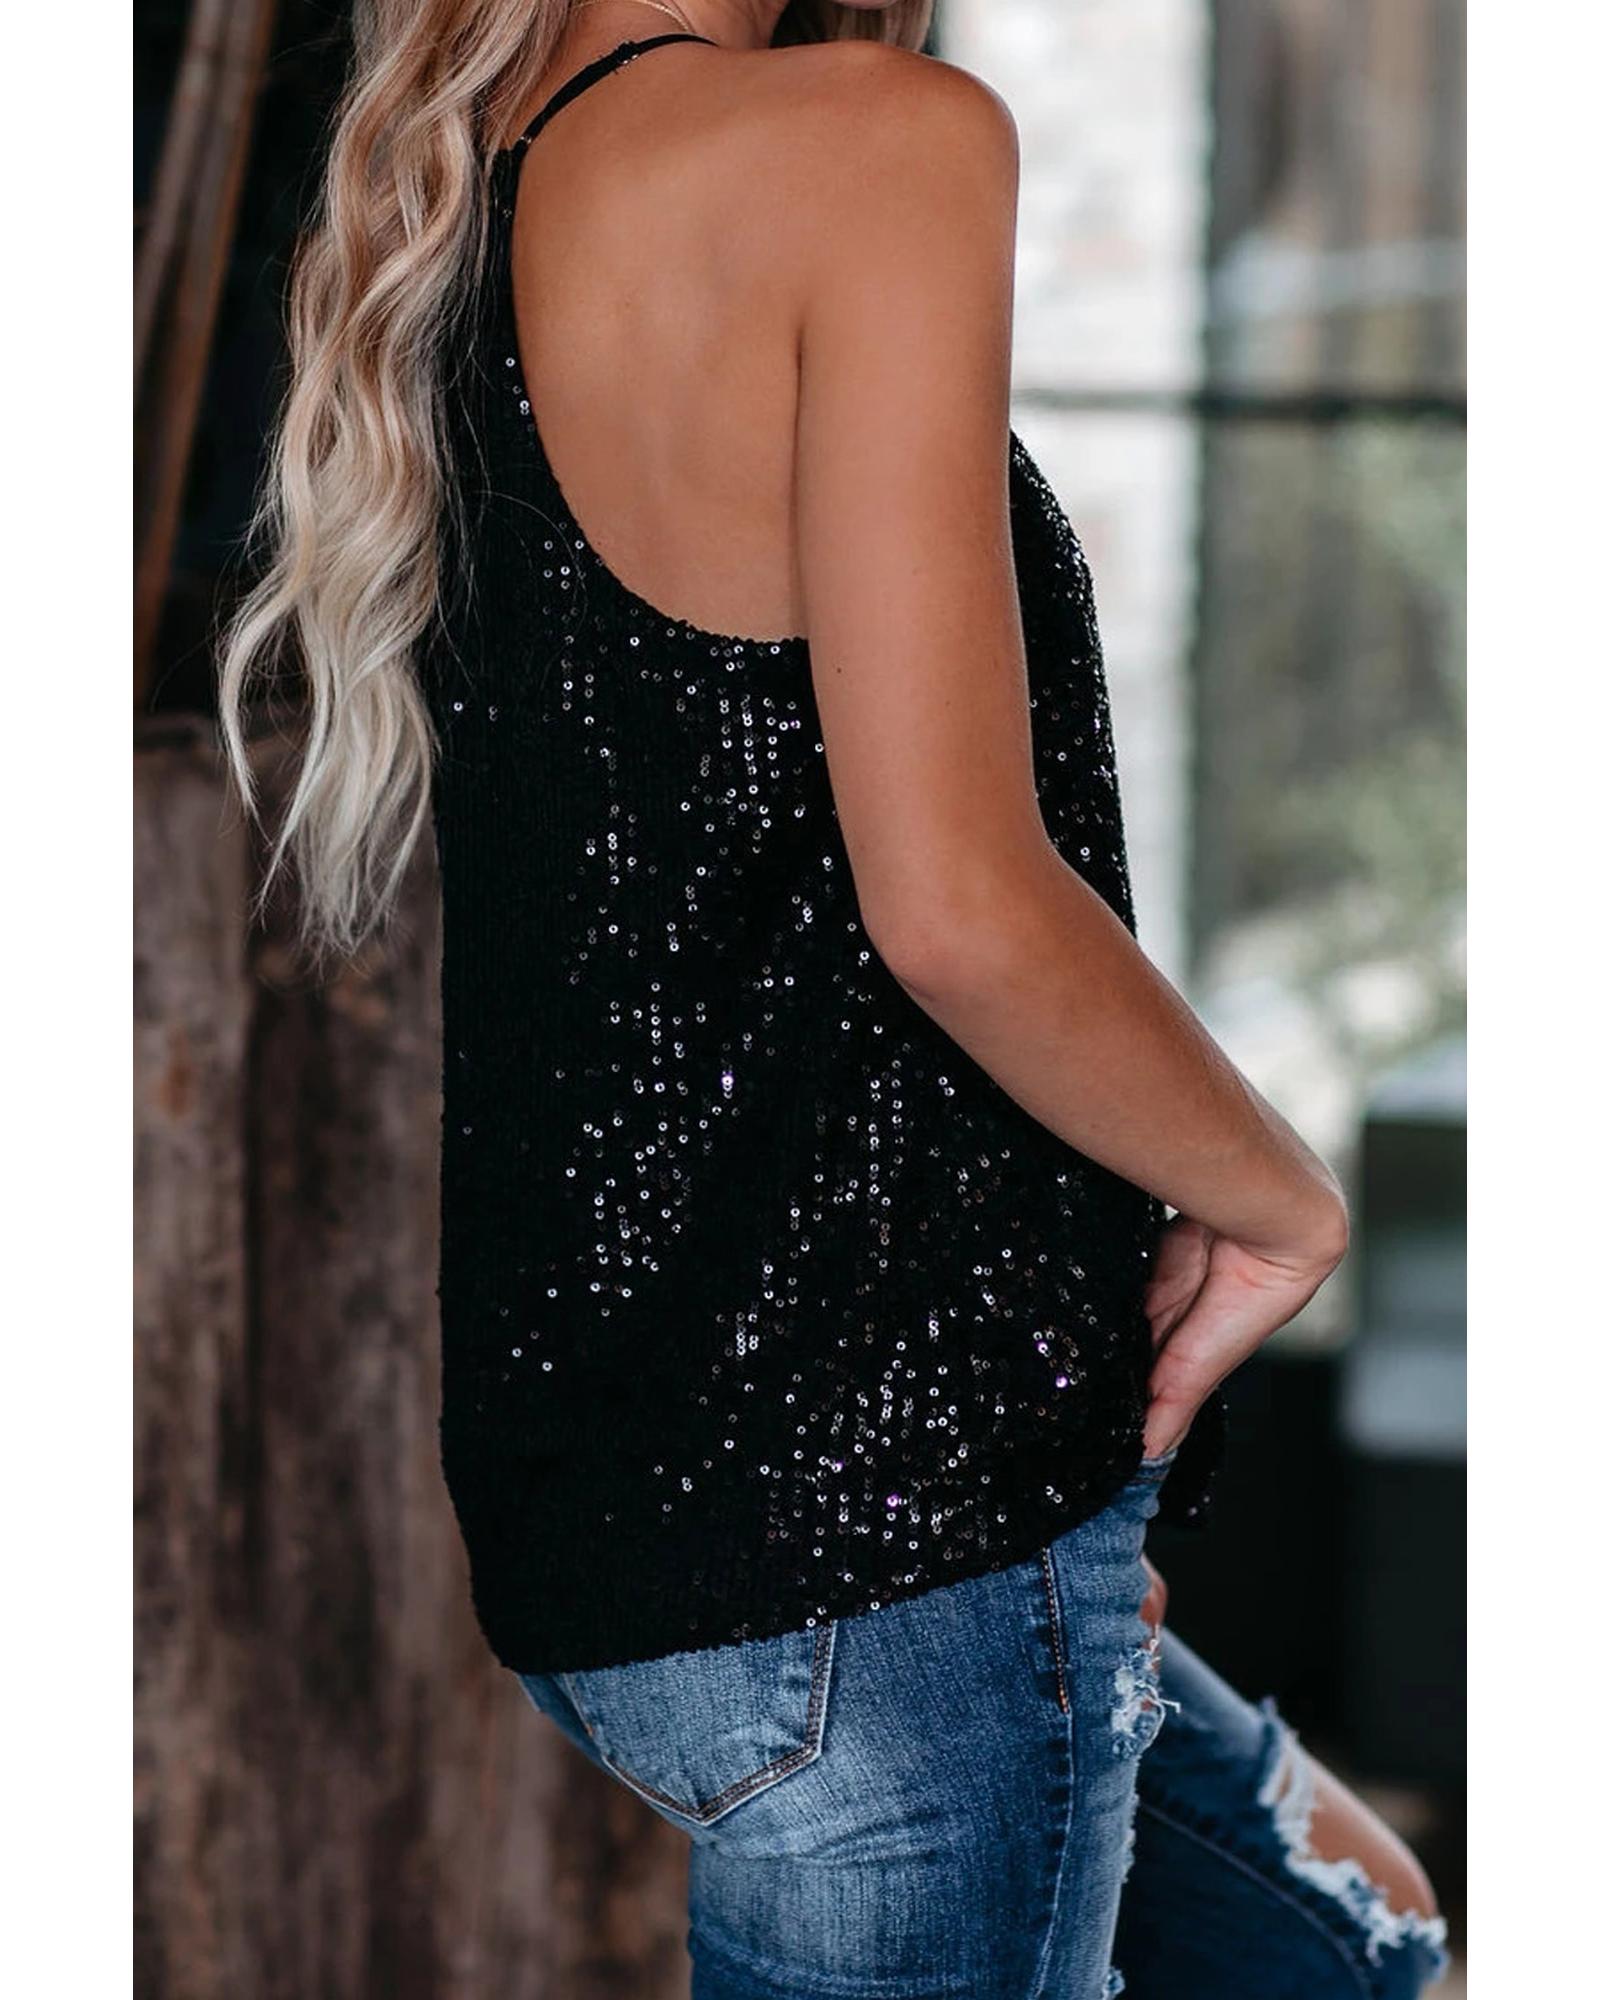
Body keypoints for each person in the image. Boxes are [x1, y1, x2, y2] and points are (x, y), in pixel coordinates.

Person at [217, 3, 1452, 1994]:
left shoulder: (475, 160)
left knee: (1347, 1940)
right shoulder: (867, 138)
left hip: (673, 1533)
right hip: (882, 1571)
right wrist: (1279, 1196)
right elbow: (957, 907)